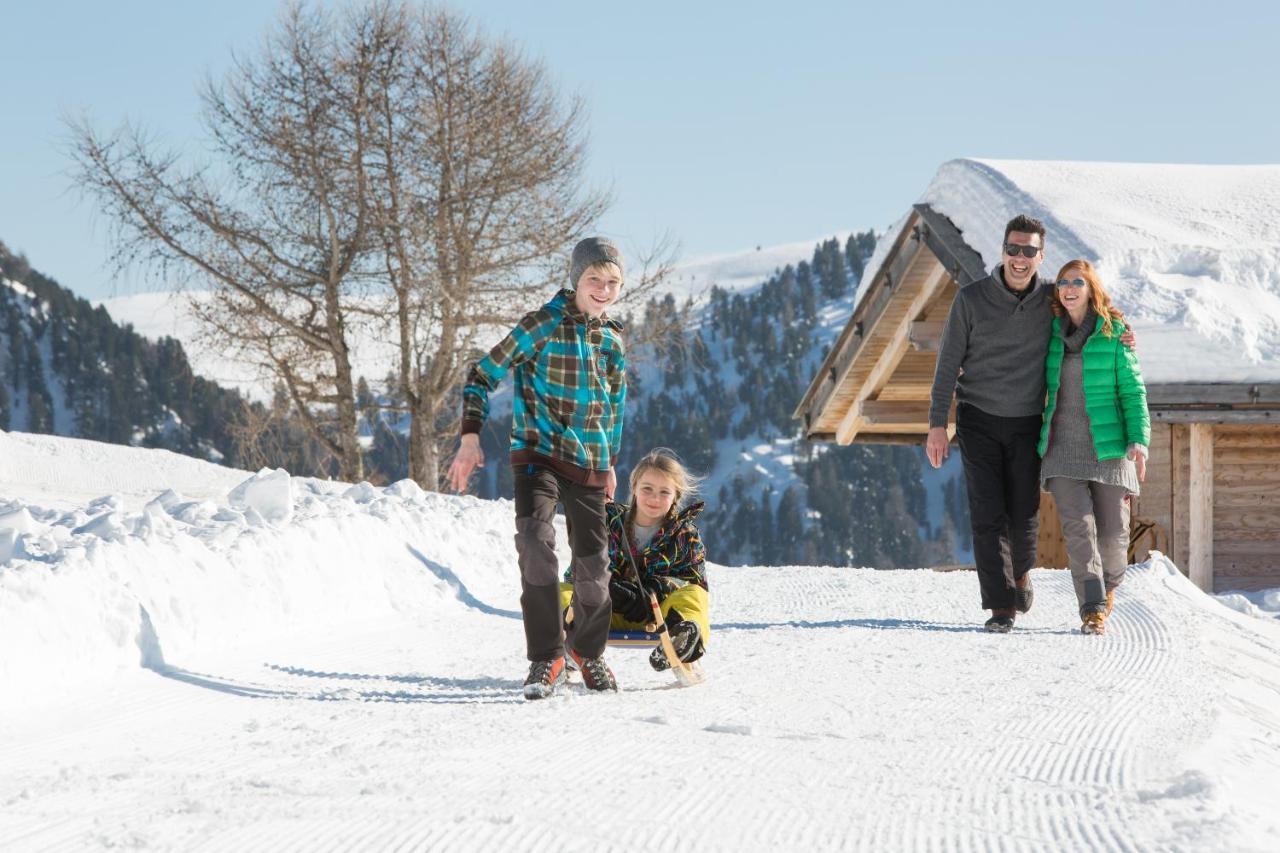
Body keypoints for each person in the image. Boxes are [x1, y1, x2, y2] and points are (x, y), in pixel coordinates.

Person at [925, 214, 1135, 633]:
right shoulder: (971, 299)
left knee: (1023, 514)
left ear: (1040, 257)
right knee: (987, 512)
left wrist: (1123, 331)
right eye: (1013, 249)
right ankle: (1001, 607)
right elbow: (947, 364)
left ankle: (1020, 575)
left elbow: (1089, 317)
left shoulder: (1051, 301)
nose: (1019, 258)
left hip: (1027, 422)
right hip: (977, 418)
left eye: (1029, 251)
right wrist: (936, 424)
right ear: (1002, 250)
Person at [447, 237, 627, 699]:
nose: (603, 290)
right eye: (594, 280)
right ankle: (546, 657)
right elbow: (482, 374)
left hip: (589, 461)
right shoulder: (543, 324)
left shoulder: (611, 340)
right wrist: (469, 437)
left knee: (593, 568)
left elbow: (615, 407)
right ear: (576, 280)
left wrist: (609, 462)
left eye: (612, 283)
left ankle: (586, 652)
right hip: (537, 453)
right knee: (534, 542)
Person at [1039, 260, 1149, 635]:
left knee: (1113, 537)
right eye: (1063, 282)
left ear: (1091, 289)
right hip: (1062, 449)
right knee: (1078, 529)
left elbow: (1133, 391)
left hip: (1110, 449)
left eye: (1077, 282)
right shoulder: (1049, 333)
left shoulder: (1115, 333)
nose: (1069, 288)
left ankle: (1111, 585)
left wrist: (1139, 441)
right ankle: (1092, 607)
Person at [561, 448, 709, 672]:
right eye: (647, 488)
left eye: (664, 492)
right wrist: (607, 585)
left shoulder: (684, 535)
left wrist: (652, 591)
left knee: (695, 595)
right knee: (561, 591)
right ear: (634, 488)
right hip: (602, 613)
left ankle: (681, 641)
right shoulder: (607, 522)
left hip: (659, 617)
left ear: (676, 496)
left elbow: (694, 581)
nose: (654, 498)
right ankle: (564, 642)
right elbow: (576, 572)